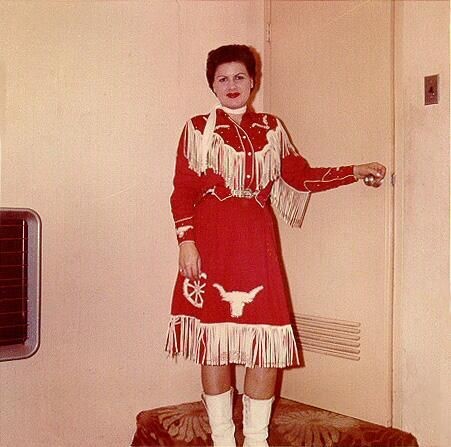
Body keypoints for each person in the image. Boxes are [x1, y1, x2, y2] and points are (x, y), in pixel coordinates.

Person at [165, 44, 386, 447]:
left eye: (240, 77)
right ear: (211, 84)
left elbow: (300, 178)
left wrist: (353, 171)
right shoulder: (197, 128)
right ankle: (221, 439)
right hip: (210, 241)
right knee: (215, 344)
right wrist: (187, 241)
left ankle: (255, 440)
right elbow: (182, 192)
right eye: (222, 78)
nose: (231, 85)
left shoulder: (272, 127)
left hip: (257, 242)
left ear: (253, 80)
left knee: (266, 344)